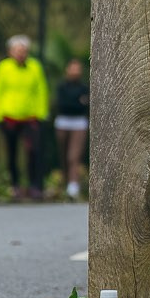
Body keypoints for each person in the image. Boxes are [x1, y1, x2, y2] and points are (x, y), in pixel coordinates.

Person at [0, 35, 48, 199]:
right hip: (10, 117)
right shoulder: (3, 67)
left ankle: (35, 186)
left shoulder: (35, 67)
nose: (21, 54)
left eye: (23, 51)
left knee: (34, 152)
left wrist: (40, 113)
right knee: (12, 153)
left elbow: (41, 90)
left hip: (30, 117)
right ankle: (14, 185)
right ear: (10, 52)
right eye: (17, 51)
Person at [53, 58, 89, 199]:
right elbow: (63, 104)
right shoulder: (62, 87)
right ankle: (64, 181)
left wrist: (79, 103)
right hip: (63, 122)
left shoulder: (84, 88)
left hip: (78, 122)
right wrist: (78, 102)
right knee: (63, 154)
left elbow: (84, 104)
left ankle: (73, 185)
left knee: (74, 156)